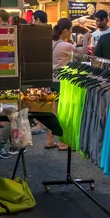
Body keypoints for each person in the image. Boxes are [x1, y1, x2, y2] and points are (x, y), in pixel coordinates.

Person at [47, 18, 75, 151]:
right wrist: (86, 39)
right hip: (61, 81)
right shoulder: (66, 46)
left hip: (50, 80)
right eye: (70, 30)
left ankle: (50, 140)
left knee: (53, 111)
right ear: (65, 31)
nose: (71, 32)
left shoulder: (50, 42)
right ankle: (63, 142)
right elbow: (84, 53)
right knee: (62, 112)